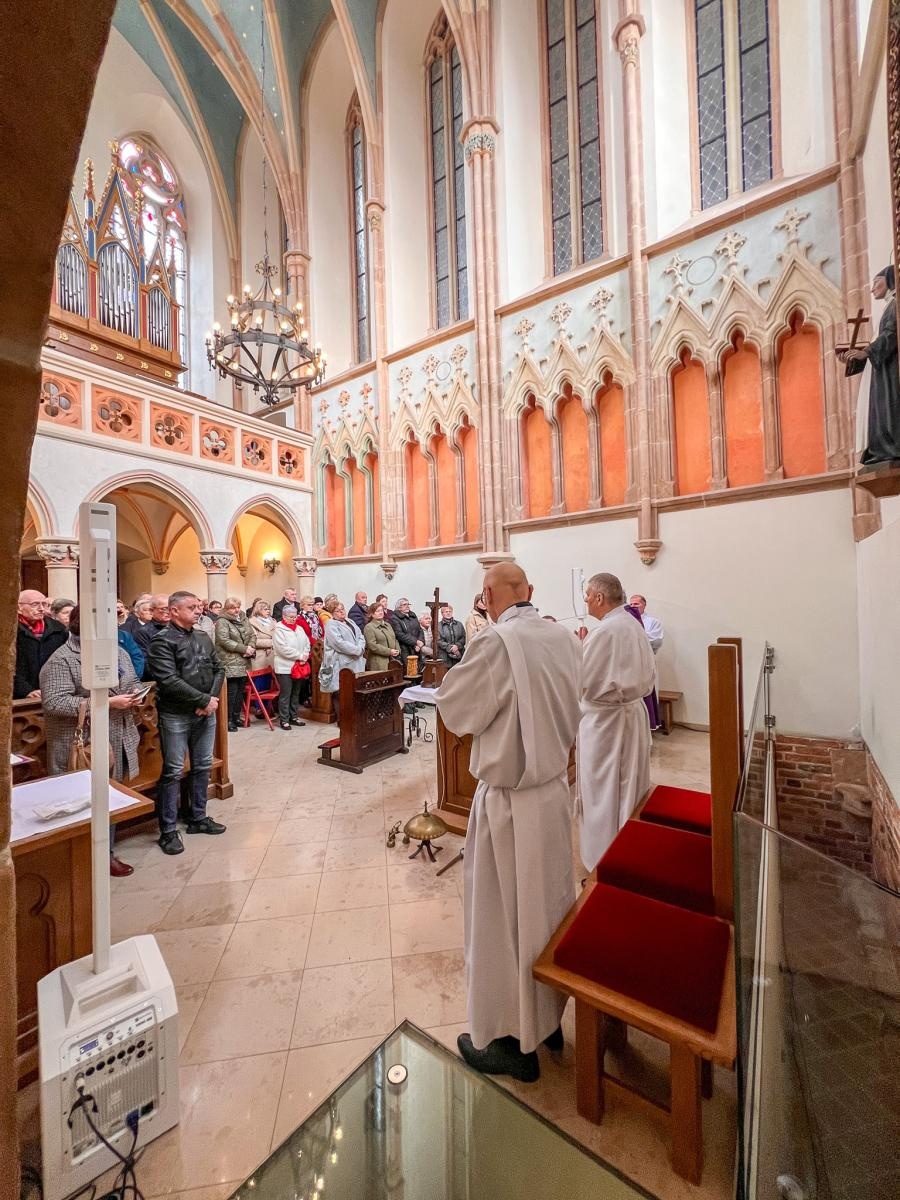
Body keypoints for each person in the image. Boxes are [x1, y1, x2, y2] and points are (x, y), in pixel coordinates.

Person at [434, 562, 582, 1082]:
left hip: (510, 804)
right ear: (532, 592)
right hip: (552, 795)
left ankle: (511, 1042)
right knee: (547, 909)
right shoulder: (564, 638)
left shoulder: (497, 643)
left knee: (501, 922)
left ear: (487, 596)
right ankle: (548, 1018)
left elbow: (456, 711)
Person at [40, 606, 142, 876]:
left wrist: (134, 694)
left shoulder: (117, 652)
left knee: (110, 796)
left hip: (117, 734)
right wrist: (107, 702)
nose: (115, 628)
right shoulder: (62, 659)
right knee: (85, 800)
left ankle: (105, 852)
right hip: (84, 743)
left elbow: (130, 679)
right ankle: (85, 859)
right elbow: (54, 702)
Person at [577, 573, 655, 872]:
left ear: (599, 597)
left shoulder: (607, 631)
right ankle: (629, 849)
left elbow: (585, 681)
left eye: (587, 594)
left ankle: (604, 857)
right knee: (628, 786)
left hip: (605, 723)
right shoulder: (631, 625)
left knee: (604, 791)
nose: (585, 600)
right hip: (630, 716)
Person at [146, 591, 227, 855]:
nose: (198, 611)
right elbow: (168, 680)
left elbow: (219, 668)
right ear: (174, 611)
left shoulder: (203, 636)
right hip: (176, 714)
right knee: (172, 770)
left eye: (199, 607)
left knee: (202, 765)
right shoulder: (162, 641)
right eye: (191, 607)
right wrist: (204, 699)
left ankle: (198, 817)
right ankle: (168, 830)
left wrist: (211, 699)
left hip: (205, 711)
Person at [839, 265, 899, 465]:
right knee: (879, 411)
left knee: (886, 409)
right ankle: (881, 448)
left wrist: (866, 352)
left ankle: (889, 447)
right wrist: (857, 358)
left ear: (889, 279)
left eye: (876, 282)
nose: (872, 288)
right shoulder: (889, 306)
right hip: (881, 373)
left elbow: (891, 336)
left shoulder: (895, 305)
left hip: (889, 376)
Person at [14, 589, 67, 699]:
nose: (41, 609)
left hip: (53, 691)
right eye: (35, 604)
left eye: (44, 604)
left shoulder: (58, 630)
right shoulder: (10, 632)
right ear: (19, 608)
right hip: (20, 693)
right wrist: (25, 690)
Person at [215, 597, 257, 732]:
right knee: (231, 693)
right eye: (233, 608)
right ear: (227, 609)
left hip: (244, 660)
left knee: (240, 692)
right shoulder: (222, 621)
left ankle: (236, 716)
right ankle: (228, 720)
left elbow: (252, 635)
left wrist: (250, 648)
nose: (236, 610)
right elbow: (224, 640)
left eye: (238, 607)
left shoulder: (243, 618)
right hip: (230, 660)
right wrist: (243, 649)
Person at [320, 602, 366, 723]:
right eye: (338, 611)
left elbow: (360, 636)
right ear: (332, 613)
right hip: (341, 662)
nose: (341, 612)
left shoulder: (350, 621)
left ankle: (353, 717)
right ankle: (342, 720)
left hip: (355, 660)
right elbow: (338, 643)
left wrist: (361, 648)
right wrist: (356, 650)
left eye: (342, 609)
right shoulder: (331, 624)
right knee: (340, 691)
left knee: (354, 691)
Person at [628, 593, 663, 730]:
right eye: (631, 604)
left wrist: (637, 637)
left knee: (646, 694)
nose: (633, 606)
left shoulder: (653, 622)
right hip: (630, 664)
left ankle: (649, 725)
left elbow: (656, 640)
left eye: (636, 604)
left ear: (644, 605)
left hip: (645, 662)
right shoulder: (627, 622)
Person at [272, 603, 310, 730]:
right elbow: (282, 649)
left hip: (299, 666)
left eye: (295, 616)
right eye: (290, 617)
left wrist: (305, 655)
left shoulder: (299, 628)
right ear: (283, 616)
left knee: (296, 693)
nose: (294, 619)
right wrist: (300, 656)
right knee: (286, 694)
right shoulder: (278, 629)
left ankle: (293, 717)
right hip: (284, 667)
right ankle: (284, 719)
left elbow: (307, 643)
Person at [134, 593, 171, 677]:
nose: (168, 612)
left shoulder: (177, 628)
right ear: (151, 610)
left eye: (171, 608)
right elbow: (144, 662)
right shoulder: (143, 632)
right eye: (164, 609)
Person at [364, 601, 400, 670]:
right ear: (372, 614)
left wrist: (397, 650)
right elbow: (372, 645)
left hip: (392, 659)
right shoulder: (369, 627)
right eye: (377, 611)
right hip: (378, 662)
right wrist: (389, 651)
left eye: (381, 610)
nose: (381, 612)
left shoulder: (388, 625)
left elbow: (394, 638)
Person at [390, 598, 425, 667]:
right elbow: (399, 634)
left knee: (419, 669)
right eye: (404, 604)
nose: (407, 606)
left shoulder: (413, 615)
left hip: (417, 648)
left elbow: (420, 630)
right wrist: (416, 642)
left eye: (408, 604)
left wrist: (420, 642)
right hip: (405, 649)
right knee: (409, 670)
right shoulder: (395, 618)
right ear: (399, 607)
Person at [249, 599, 276, 670]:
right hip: (260, 657)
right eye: (265, 609)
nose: (268, 611)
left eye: (269, 609)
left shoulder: (273, 622)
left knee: (273, 680)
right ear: (258, 610)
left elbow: (279, 637)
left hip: (273, 656)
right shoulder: (252, 622)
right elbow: (254, 641)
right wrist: (272, 642)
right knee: (261, 680)